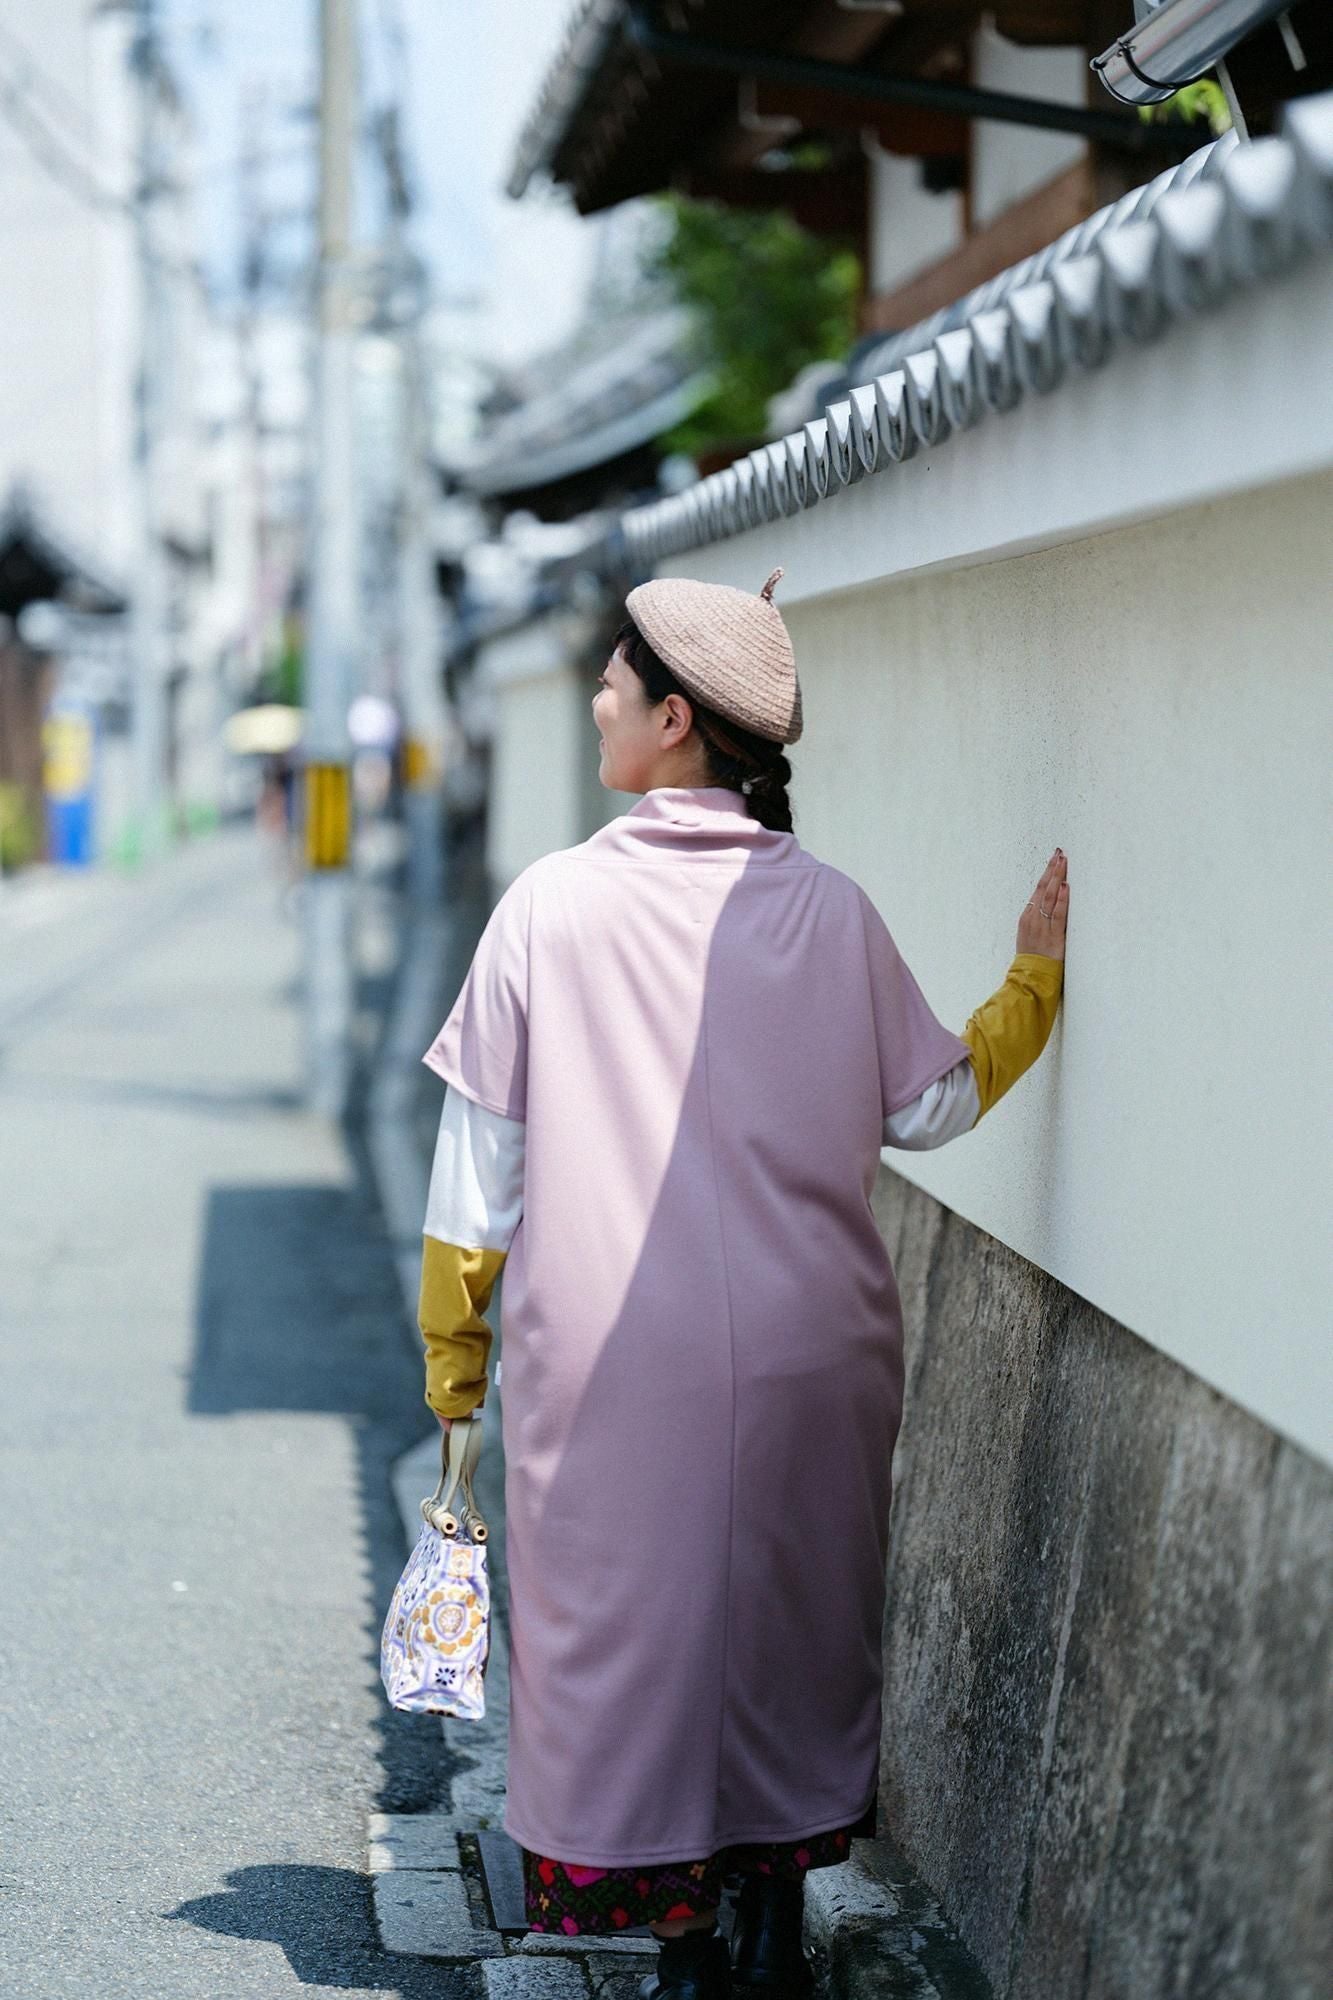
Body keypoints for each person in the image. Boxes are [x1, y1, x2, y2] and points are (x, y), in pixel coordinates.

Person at [416, 568, 1068, 2000]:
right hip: (815, 1348)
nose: (591, 698)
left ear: (670, 716)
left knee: (627, 1643)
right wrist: (1032, 986)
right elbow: (933, 1110)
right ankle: (772, 1904)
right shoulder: (829, 912)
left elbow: (479, 1181)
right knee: (788, 1626)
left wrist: (454, 1372)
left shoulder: (552, 908)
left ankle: (678, 1936)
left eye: (609, 680)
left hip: (606, 1362)